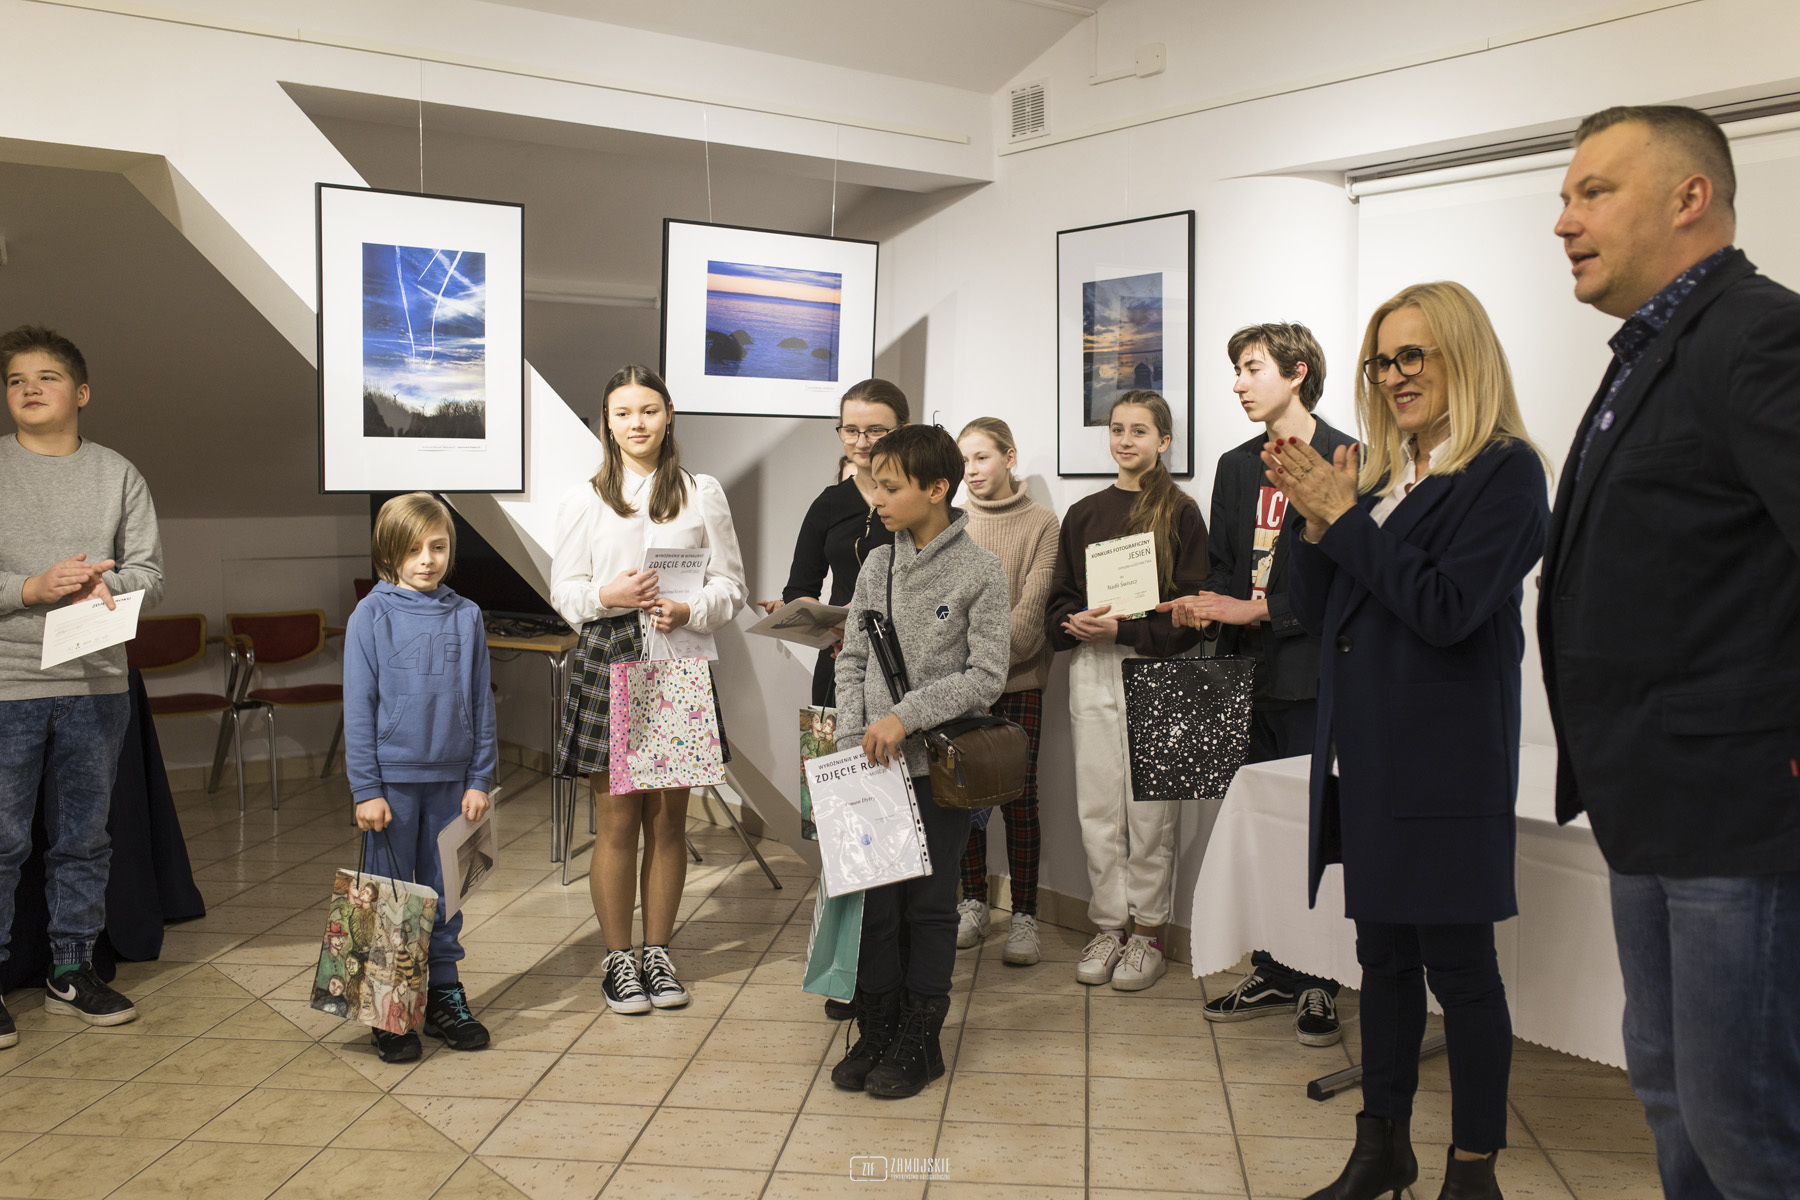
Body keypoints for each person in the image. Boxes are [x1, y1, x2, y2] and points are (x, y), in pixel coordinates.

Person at [1543, 104, 1800, 1195]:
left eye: (1594, 192)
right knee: (1673, 1095)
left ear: (1690, 198)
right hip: (1649, 804)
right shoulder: (1651, 349)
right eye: (1566, 197)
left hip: (1737, 812)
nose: (1565, 220)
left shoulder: (1759, 335)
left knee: (1746, 1125)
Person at [1276, 282, 1549, 1200]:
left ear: (1462, 356)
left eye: (1412, 355)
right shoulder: (1384, 475)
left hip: (1445, 763)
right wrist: (1316, 518)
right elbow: (1318, 609)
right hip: (1366, 757)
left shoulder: (1506, 473)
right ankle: (1381, 1146)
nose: (1393, 376)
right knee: (1382, 962)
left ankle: (1473, 1171)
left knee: (1461, 973)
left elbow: (1447, 609)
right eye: (1381, 361)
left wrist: (1345, 517)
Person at [1163, 323, 1354, 1046]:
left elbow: (1347, 581)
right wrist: (1205, 604)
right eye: (1237, 371)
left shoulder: (1346, 458)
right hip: (1242, 675)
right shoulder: (1237, 465)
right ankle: (1274, 967)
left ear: (1297, 372)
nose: (1239, 384)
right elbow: (1223, 565)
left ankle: (1321, 980)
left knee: (1317, 833)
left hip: (1313, 678)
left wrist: (1262, 609)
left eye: (1252, 368)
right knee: (1260, 833)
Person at [552, 365, 747, 1017]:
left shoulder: (701, 492)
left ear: (669, 416)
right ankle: (618, 960)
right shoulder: (584, 498)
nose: (637, 423)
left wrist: (691, 610)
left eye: (649, 410)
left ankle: (658, 955)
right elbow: (565, 592)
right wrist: (607, 595)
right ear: (606, 423)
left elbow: (731, 585)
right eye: (623, 413)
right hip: (609, 656)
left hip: (677, 659)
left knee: (668, 823)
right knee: (616, 823)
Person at [831, 423, 1010, 1099]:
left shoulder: (981, 571)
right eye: (875, 484)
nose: (876, 497)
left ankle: (921, 1038)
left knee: (929, 907)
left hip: (936, 769)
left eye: (890, 486)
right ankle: (877, 1027)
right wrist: (853, 741)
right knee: (876, 908)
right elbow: (852, 659)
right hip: (870, 769)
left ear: (937, 488)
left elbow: (985, 676)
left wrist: (904, 717)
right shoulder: (875, 564)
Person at [0, 325, 163, 1045]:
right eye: (16, 380)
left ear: (82, 392)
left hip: (97, 683)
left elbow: (150, 575)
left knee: (83, 839)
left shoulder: (118, 474)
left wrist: (109, 586)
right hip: (8, 683)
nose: (29, 389)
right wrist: (32, 588)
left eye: (47, 377)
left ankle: (71, 969)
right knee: (2, 840)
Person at [1044, 390, 1207, 992]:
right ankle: (1109, 926)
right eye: (1117, 429)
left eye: (1139, 430)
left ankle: (1149, 934)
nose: (1125, 440)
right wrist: (1075, 622)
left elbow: (1192, 612)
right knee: (1098, 807)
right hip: (1092, 667)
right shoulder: (1084, 513)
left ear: (1164, 441)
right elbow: (1059, 599)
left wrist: (1128, 630)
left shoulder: (1181, 512)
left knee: (1151, 812)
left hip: (1157, 670)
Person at [345, 491, 498, 1063]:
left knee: (444, 896)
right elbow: (358, 707)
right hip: (391, 787)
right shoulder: (371, 616)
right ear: (389, 552)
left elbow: (481, 703)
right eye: (413, 550)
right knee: (390, 898)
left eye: (437, 547)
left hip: (453, 784)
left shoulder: (467, 615)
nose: (427, 560)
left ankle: (443, 996)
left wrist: (479, 778)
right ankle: (388, 1010)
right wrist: (367, 789)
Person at [953, 417, 1060, 965]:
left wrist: (975, 664)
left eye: (982, 457)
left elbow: (1029, 623)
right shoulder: (951, 523)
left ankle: (1024, 916)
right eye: (964, 460)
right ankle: (973, 901)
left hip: (1018, 684)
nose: (971, 470)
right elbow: (941, 615)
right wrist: (963, 671)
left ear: (1009, 457)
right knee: (961, 796)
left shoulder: (1043, 524)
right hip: (957, 690)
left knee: (1019, 800)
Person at [770, 380, 908, 705]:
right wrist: (830, 626)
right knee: (831, 738)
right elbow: (799, 588)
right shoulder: (829, 504)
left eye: (875, 431)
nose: (861, 442)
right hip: (840, 660)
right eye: (851, 430)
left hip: (906, 662)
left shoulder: (920, 501)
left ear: (903, 430)